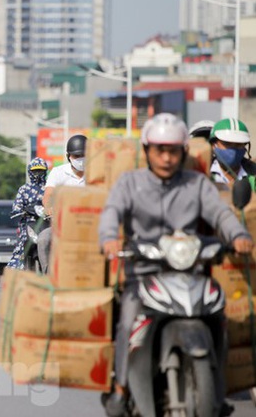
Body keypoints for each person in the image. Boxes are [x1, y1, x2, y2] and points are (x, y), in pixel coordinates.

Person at [98, 113, 253, 417]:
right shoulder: (130, 182)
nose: (166, 157)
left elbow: (220, 214)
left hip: (192, 270)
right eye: (159, 150)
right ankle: (120, 388)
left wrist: (237, 235)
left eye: (173, 150)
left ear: (184, 151)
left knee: (221, 317)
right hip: (143, 273)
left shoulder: (197, 184)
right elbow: (111, 212)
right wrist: (108, 239)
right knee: (127, 319)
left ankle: (216, 390)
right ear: (147, 150)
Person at [36, 134, 87, 274]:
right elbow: (48, 194)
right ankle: (48, 276)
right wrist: (49, 206)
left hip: (90, 227)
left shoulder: (97, 174)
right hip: (62, 227)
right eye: (77, 156)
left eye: (84, 155)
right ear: (69, 156)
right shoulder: (58, 173)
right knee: (43, 239)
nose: (81, 159)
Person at [6, 157, 49, 270]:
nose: (38, 174)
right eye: (35, 171)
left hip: (47, 222)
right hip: (29, 223)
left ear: (45, 171)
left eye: (40, 171)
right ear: (30, 172)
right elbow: (17, 206)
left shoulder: (49, 188)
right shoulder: (24, 189)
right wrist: (20, 210)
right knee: (22, 245)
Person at [209, 118, 256, 189]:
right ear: (213, 145)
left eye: (238, 144)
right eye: (227, 143)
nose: (233, 150)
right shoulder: (202, 174)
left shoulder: (253, 174)